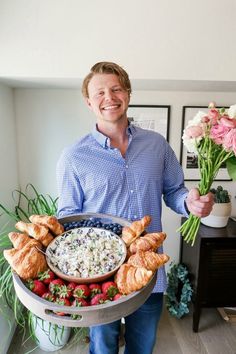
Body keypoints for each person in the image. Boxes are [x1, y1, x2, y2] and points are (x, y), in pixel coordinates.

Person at [56, 61, 214, 354]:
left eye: (116, 88)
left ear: (127, 93)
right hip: (100, 278)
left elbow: (174, 192)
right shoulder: (73, 157)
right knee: (103, 349)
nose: (109, 97)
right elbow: (67, 217)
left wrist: (189, 203)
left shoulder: (157, 145)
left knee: (143, 347)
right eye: (100, 92)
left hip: (148, 274)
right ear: (88, 101)